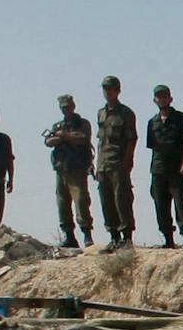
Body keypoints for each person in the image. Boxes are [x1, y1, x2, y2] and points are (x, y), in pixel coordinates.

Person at [43, 95, 95, 249]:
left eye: (69, 106)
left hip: (77, 168)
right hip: (61, 168)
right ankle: (69, 236)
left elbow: (83, 138)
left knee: (81, 201)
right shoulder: (58, 125)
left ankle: (87, 234)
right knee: (62, 203)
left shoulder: (82, 123)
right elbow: (48, 141)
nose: (67, 110)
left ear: (73, 106)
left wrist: (64, 136)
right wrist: (62, 138)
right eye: (64, 107)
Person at [93, 75, 138, 251]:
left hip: (118, 163)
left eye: (111, 89)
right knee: (106, 201)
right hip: (103, 164)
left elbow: (132, 139)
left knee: (122, 200)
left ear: (118, 91)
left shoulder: (126, 113)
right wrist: (97, 165)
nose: (108, 92)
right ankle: (114, 237)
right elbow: (100, 141)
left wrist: (127, 160)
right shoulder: (101, 113)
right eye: (105, 89)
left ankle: (126, 238)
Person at [145, 82, 183, 248]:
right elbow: (152, 147)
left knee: (181, 204)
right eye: (159, 97)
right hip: (158, 169)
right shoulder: (152, 122)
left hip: (176, 167)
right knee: (161, 205)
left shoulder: (181, 118)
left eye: (164, 96)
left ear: (170, 98)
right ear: (154, 100)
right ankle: (168, 240)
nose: (162, 99)